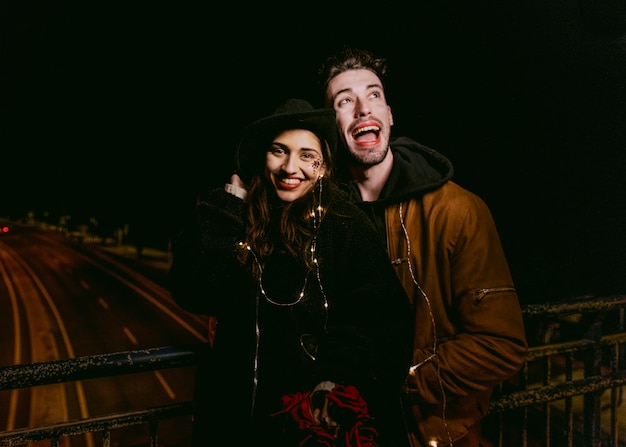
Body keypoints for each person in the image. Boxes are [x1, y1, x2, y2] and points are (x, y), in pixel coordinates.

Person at [169, 98, 414, 447]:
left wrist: (336, 380)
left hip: (308, 430)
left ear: (325, 166)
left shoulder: (345, 225)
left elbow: (384, 320)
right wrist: (229, 203)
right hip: (235, 424)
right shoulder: (241, 218)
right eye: (278, 151)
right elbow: (192, 288)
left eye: (306, 155)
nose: (290, 167)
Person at [317, 48, 528, 447]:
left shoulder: (457, 210)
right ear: (332, 126)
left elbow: (501, 345)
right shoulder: (323, 217)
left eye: (373, 94)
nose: (363, 108)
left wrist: (397, 379)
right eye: (345, 101)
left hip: (431, 434)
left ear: (390, 115)